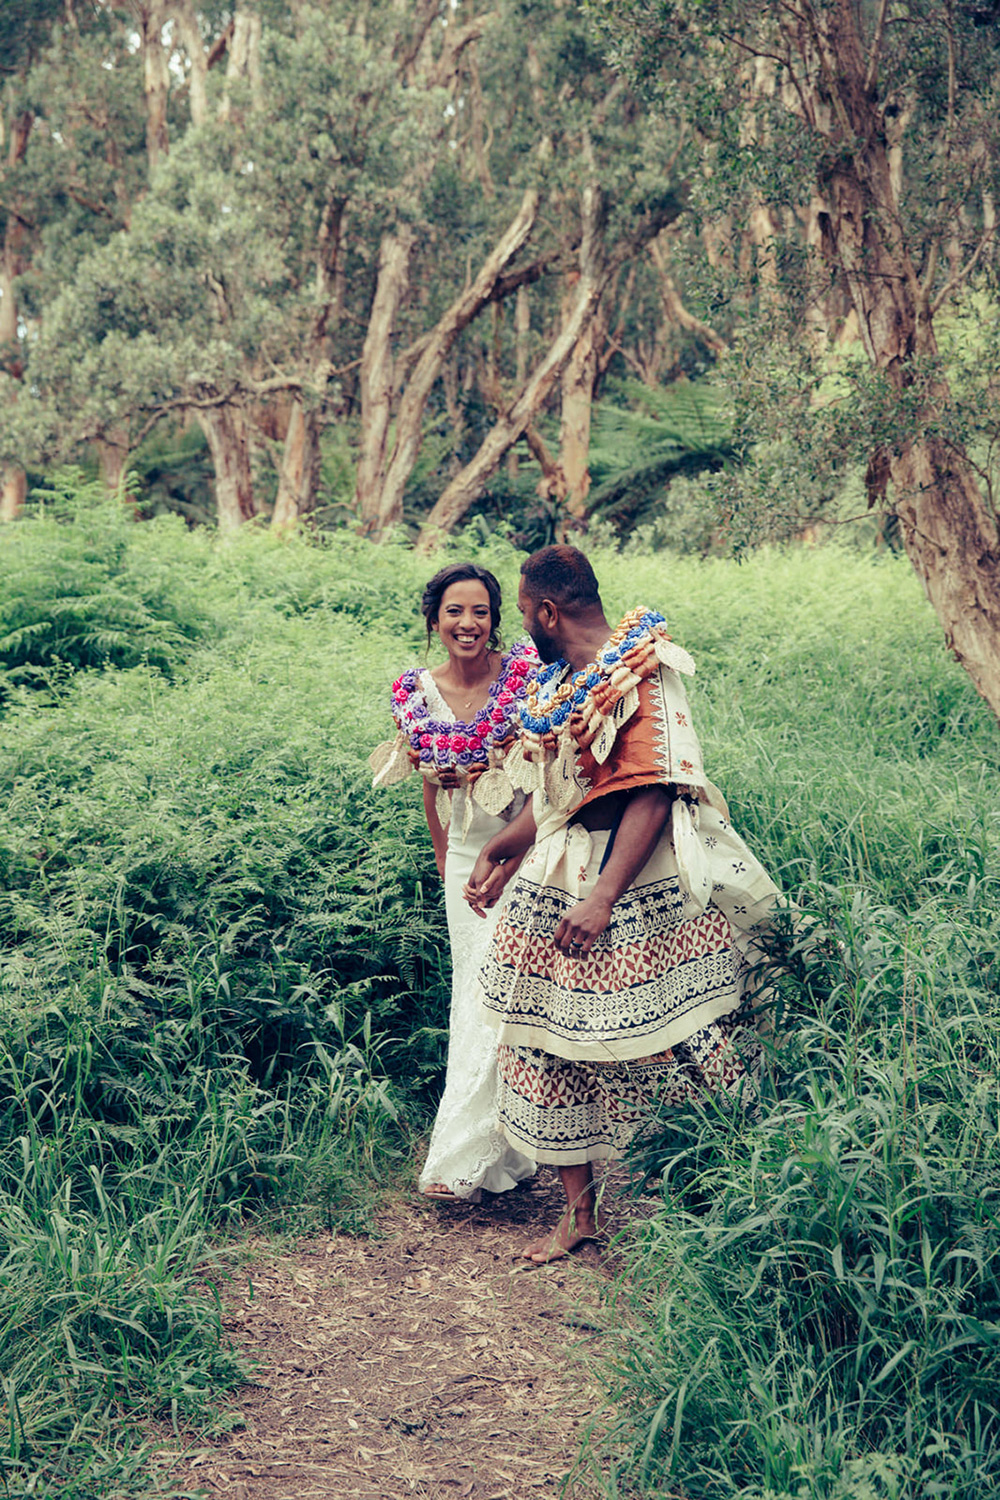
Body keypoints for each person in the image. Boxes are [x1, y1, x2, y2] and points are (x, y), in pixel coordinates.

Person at [464, 545, 780, 1261]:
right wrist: (504, 847)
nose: (521, 626)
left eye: (522, 612)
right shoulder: (558, 684)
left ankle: (725, 1196)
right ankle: (580, 1216)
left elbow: (656, 787)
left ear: (549, 610)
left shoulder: (646, 668)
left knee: (687, 1036)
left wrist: (604, 895)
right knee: (538, 1036)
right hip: (558, 878)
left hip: (639, 884)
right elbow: (557, 797)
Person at [370, 562, 537, 1202]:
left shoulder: (523, 678)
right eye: (454, 612)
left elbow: (541, 769)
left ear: (496, 619)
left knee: (509, 991)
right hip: (464, 856)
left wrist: (518, 850)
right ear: (434, 619)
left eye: (481, 612)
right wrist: (447, 866)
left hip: (522, 846)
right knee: (472, 991)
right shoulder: (417, 693)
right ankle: (485, 1153)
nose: (468, 624)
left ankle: (484, 1153)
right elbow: (429, 789)